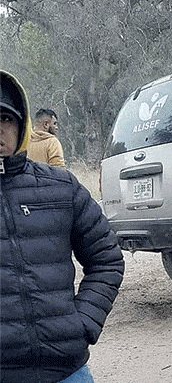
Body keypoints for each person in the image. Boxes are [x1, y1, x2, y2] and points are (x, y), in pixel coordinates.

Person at [1, 70, 124, 383]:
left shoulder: (61, 187)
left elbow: (106, 258)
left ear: (21, 124)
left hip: (68, 371)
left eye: (4, 119)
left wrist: (82, 322)